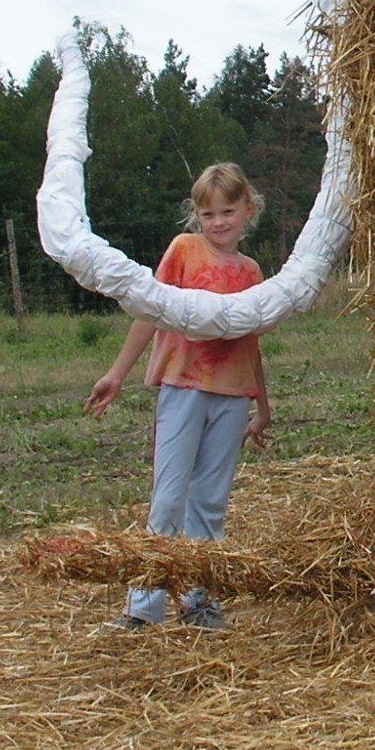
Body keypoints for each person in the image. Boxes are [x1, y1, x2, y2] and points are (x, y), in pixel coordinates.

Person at [85, 162, 272, 631]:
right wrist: (117, 373)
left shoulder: (251, 271)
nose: (219, 222)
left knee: (209, 501)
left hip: (231, 396)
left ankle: (200, 601)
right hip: (182, 387)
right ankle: (143, 606)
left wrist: (262, 404)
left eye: (228, 211)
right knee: (168, 497)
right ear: (196, 216)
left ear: (248, 211)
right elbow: (150, 312)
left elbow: (251, 342)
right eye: (209, 214)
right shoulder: (185, 251)